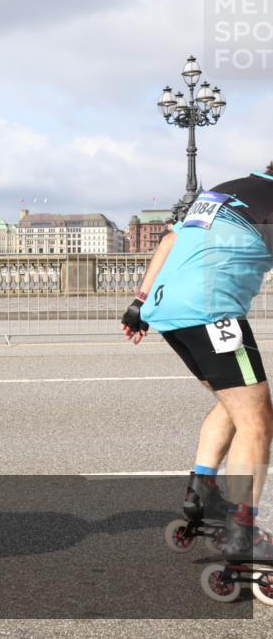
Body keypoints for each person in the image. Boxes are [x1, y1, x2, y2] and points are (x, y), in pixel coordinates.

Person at [121, 161, 273, 562]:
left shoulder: (227, 188)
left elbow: (170, 240)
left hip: (166, 310)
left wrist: (138, 304)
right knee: (258, 422)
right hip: (213, 313)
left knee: (234, 402)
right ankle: (242, 530)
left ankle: (201, 495)